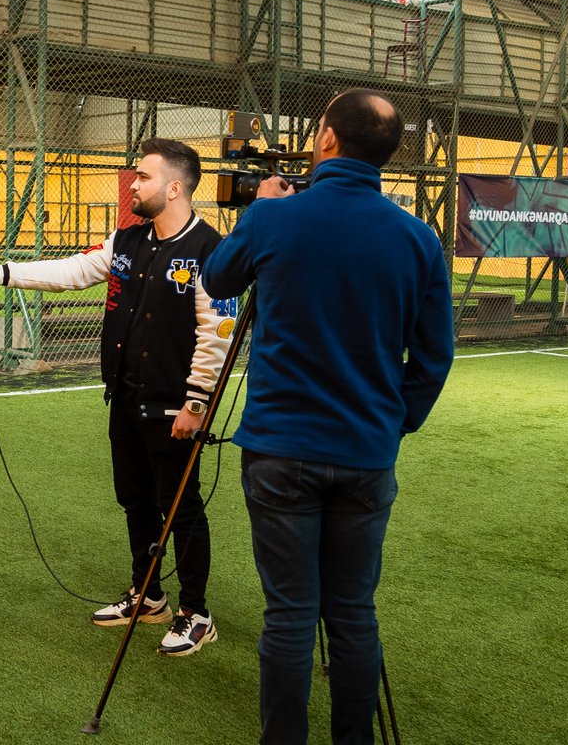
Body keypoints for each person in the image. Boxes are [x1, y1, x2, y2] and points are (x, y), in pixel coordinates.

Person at [201, 89, 455, 743]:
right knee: (353, 614)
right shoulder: (417, 237)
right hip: (366, 454)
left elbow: (219, 280)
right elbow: (432, 358)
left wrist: (259, 211)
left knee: (289, 614)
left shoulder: (275, 219)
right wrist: (392, 422)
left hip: (280, 449)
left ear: (329, 141)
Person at [0, 138, 234, 656]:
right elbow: (73, 271)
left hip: (176, 408)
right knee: (135, 499)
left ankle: (196, 613)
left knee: (182, 508)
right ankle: (148, 596)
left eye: (144, 177)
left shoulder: (211, 252)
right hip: (126, 400)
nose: (134, 184)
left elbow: (217, 330)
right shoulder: (128, 241)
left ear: (175, 187)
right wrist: (0, 273)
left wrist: (197, 403)